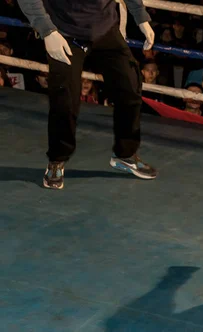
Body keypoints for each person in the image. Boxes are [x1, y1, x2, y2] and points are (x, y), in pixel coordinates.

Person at [17, 0, 158, 190]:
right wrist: (47, 31)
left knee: (130, 87)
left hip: (104, 29)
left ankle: (125, 154)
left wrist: (140, 17)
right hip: (64, 32)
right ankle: (57, 159)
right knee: (65, 99)